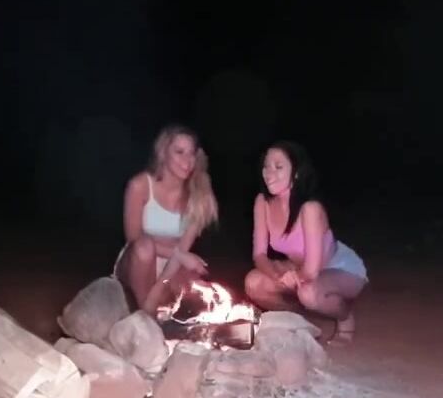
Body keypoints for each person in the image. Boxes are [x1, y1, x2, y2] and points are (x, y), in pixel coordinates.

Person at [244, 140, 368, 341]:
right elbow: (259, 255)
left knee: (308, 294)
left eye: (278, 167)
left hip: (339, 268)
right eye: (266, 166)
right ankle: (298, 321)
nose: (268, 173)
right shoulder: (262, 201)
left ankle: (345, 317)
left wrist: (291, 278)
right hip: (299, 267)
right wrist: (277, 276)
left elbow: (311, 271)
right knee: (253, 282)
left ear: (297, 173)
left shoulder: (310, 208)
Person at [115, 124, 219, 313]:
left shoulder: (200, 196)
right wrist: (179, 255)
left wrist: (157, 290)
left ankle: (154, 309)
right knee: (144, 247)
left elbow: (182, 252)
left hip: (173, 265)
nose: (187, 160)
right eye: (179, 152)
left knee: (201, 290)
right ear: (163, 153)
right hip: (137, 261)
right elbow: (133, 239)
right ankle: (143, 314)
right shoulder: (140, 185)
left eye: (191, 153)